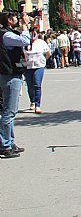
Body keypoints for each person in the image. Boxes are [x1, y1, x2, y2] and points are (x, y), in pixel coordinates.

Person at [0, 10, 31, 158]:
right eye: (14, 17)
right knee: (9, 112)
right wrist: (25, 26)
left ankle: (9, 142)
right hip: (10, 75)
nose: (17, 19)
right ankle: (5, 145)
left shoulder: (7, 33)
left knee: (10, 111)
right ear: (8, 20)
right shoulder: (6, 35)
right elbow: (25, 41)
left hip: (12, 74)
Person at [24, 29, 51, 114]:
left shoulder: (41, 43)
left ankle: (37, 105)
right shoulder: (25, 43)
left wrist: (43, 61)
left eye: (34, 32)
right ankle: (32, 101)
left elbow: (48, 53)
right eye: (31, 32)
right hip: (28, 67)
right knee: (30, 85)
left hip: (39, 66)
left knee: (37, 84)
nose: (33, 34)